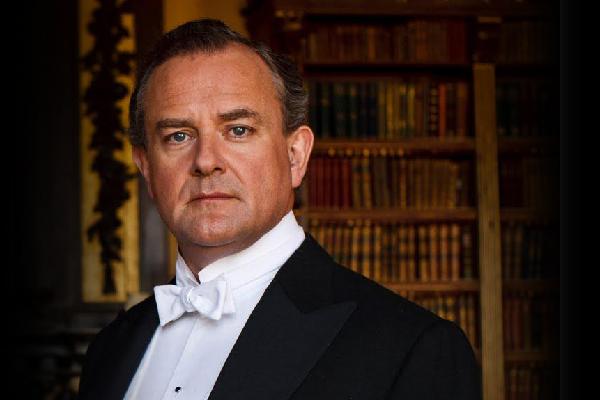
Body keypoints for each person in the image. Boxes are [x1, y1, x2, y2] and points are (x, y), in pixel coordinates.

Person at [79, 19, 481, 400]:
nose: (206, 161)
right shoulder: (109, 352)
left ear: (295, 156)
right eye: (178, 136)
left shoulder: (413, 349)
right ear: (146, 168)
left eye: (238, 130)